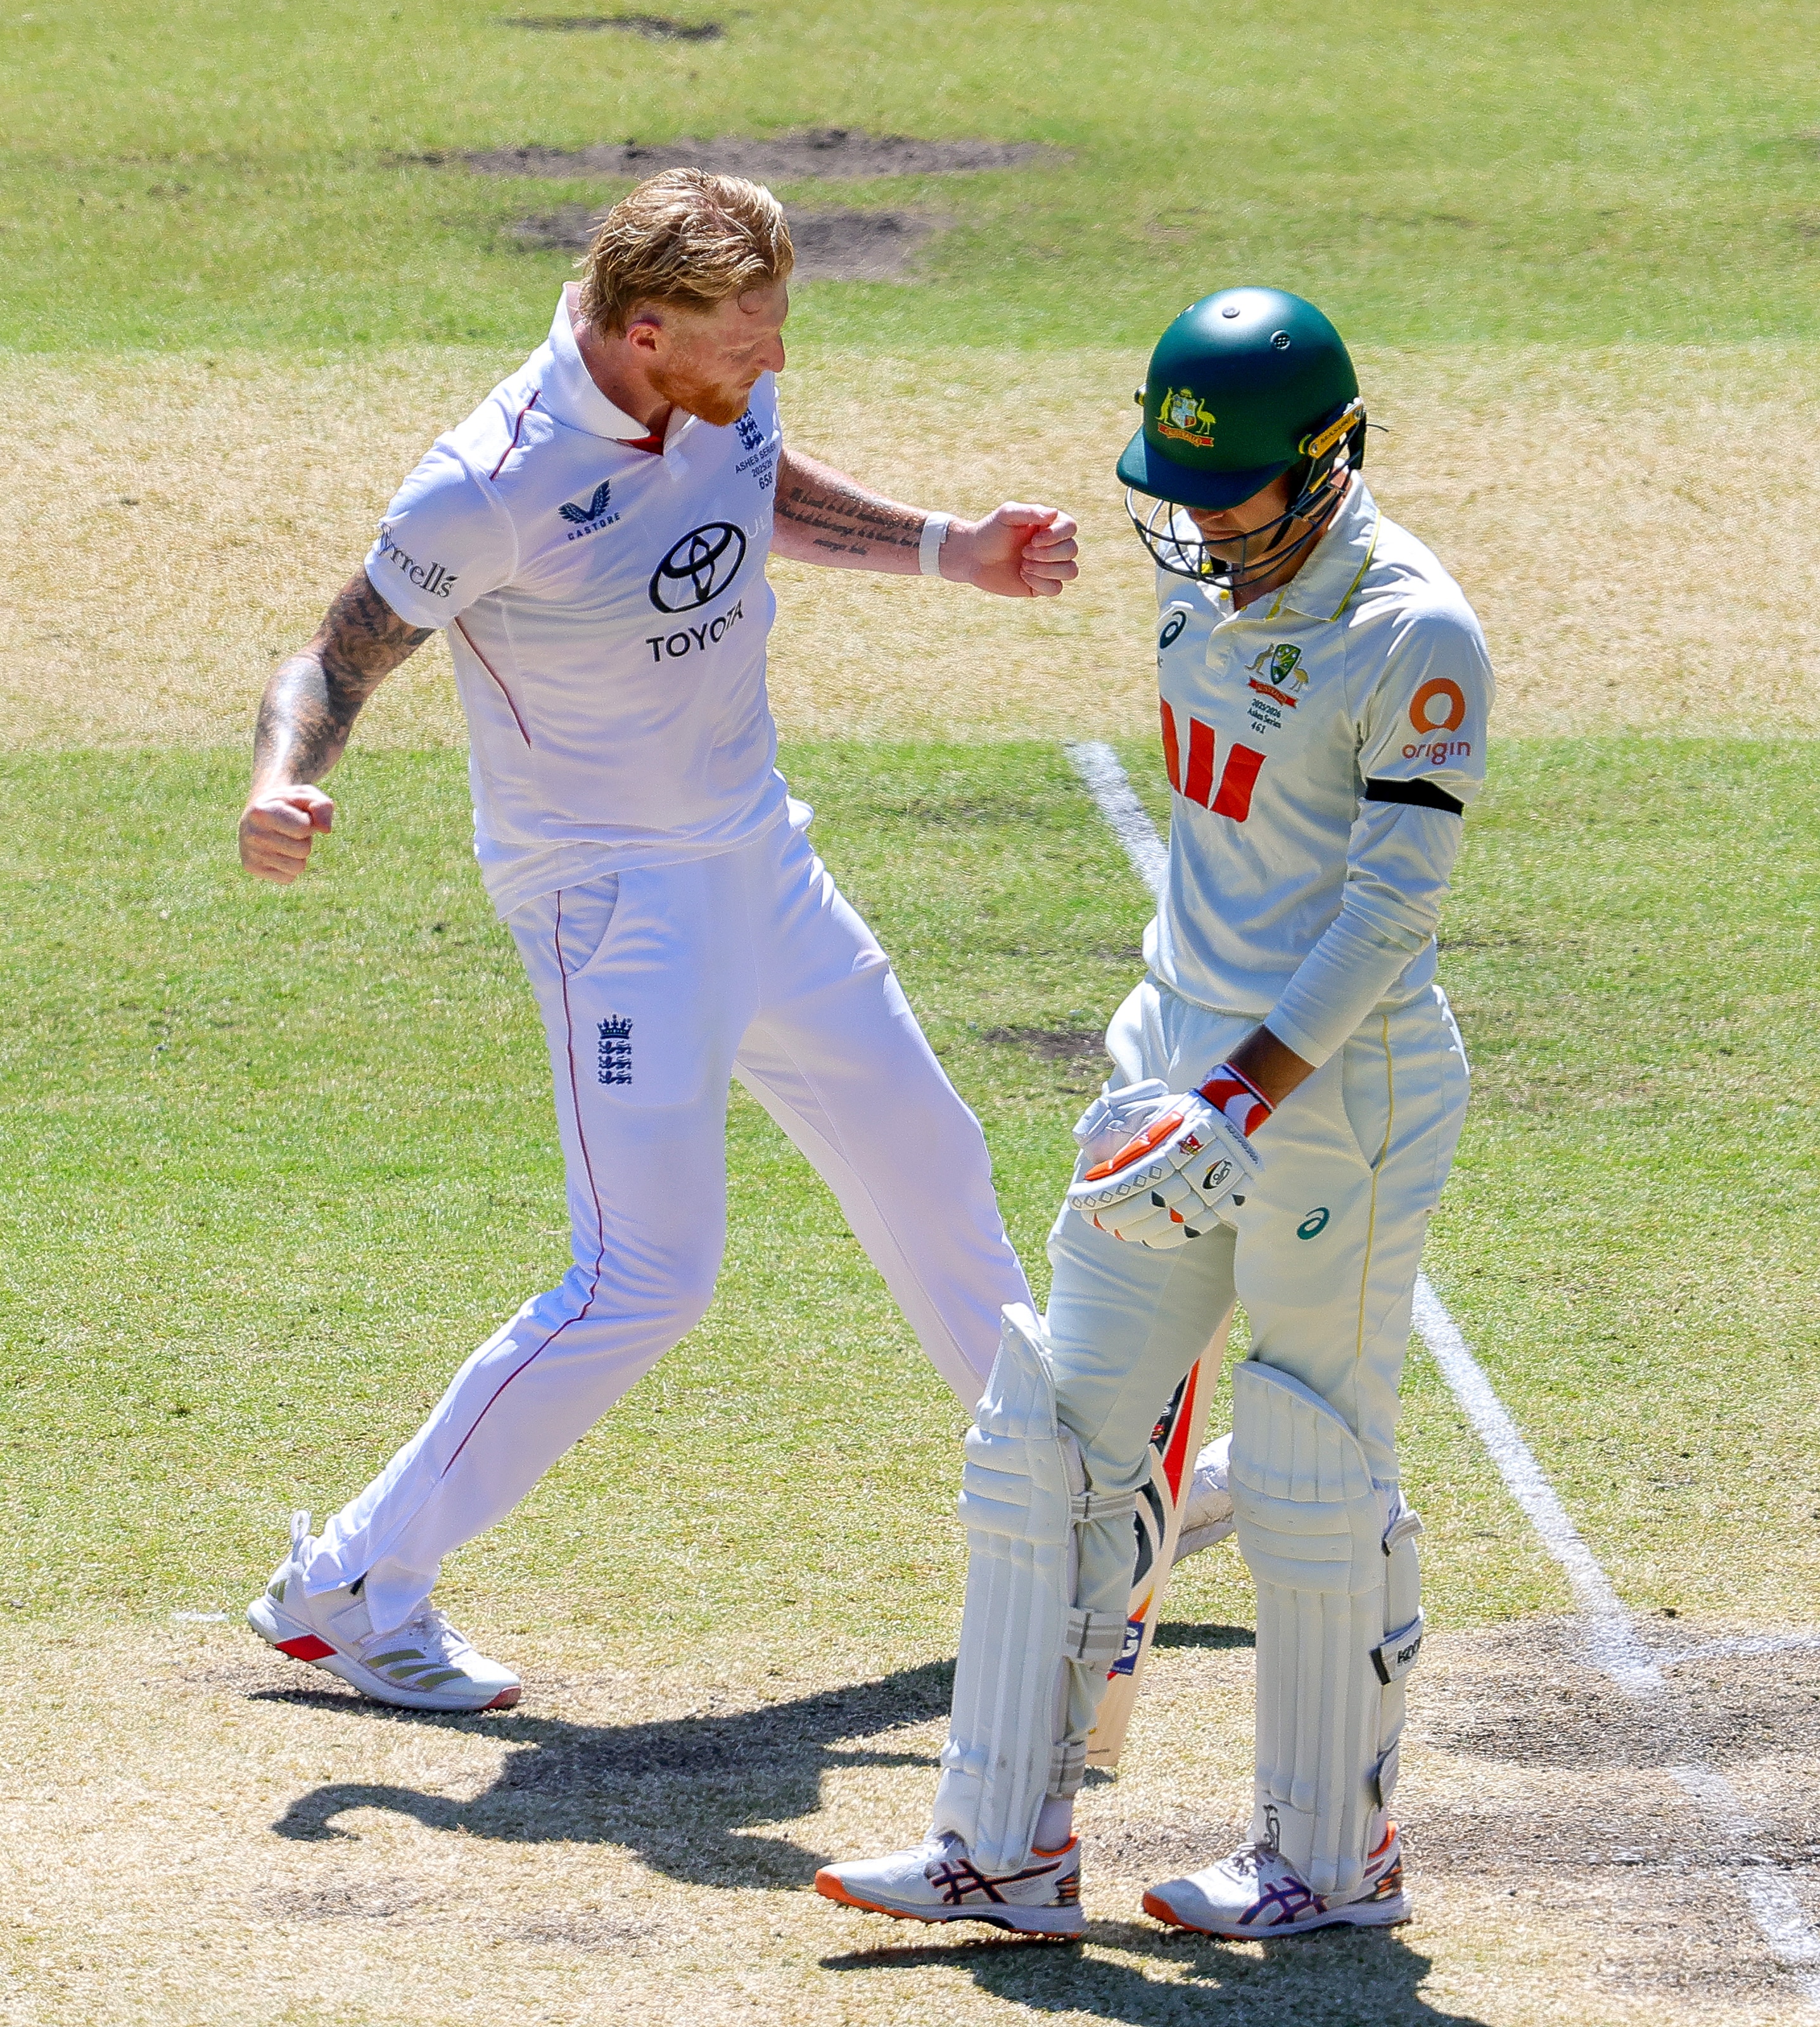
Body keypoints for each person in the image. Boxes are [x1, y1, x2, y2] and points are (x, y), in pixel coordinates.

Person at [238, 170, 1078, 1713]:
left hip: (756, 854)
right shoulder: (484, 486)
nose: (772, 366)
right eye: (745, 341)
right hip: (612, 905)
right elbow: (334, 657)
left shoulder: (709, 383)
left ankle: (1073, 1496)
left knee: (927, 1157)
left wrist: (950, 550)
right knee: (646, 1272)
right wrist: (283, 782)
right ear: (641, 332)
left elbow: (750, 478)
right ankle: (350, 1584)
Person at [816, 285, 1491, 1939]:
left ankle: (1333, 1864)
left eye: (1230, 489)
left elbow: (1384, 917)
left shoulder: (1413, 634)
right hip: (1168, 1073)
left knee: (1313, 1462)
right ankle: (1002, 1846)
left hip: (1334, 1096)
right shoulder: (1203, 595)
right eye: (1175, 489)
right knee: (1043, 1432)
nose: (1195, 521)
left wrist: (1244, 1098)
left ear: (1328, 462)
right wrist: (1169, 1071)